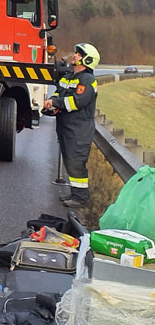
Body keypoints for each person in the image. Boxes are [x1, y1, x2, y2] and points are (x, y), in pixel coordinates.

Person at [43, 43, 99, 208]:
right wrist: (52, 105)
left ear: (87, 59)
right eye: (76, 53)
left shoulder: (88, 80)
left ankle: (81, 197)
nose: (74, 55)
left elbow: (77, 102)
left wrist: (55, 103)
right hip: (66, 127)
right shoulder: (67, 77)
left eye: (79, 54)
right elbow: (57, 93)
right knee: (69, 160)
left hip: (79, 129)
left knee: (76, 161)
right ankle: (75, 193)